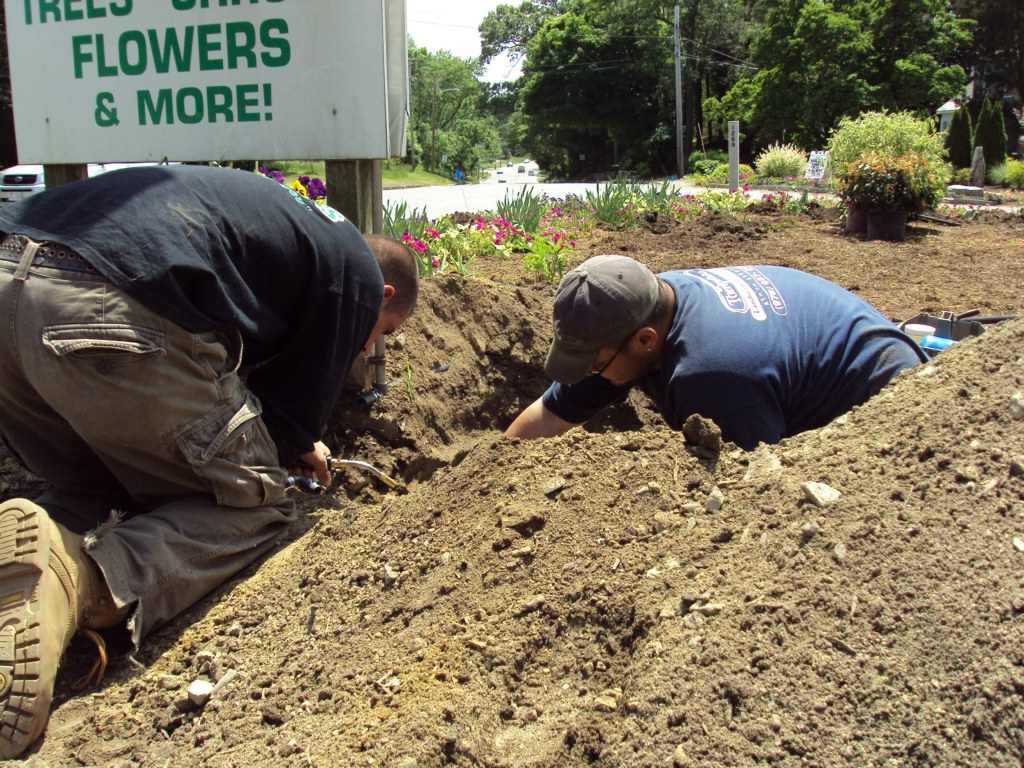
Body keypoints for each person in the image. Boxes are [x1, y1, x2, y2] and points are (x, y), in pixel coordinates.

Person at [0, 164, 418, 757]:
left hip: (10, 286)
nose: (372, 344)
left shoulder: (295, 230)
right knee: (253, 507)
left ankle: (38, 551)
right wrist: (298, 448)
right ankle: (81, 580)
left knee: (97, 483)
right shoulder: (354, 273)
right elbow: (286, 426)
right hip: (105, 309)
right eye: (385, 332)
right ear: (386, 297)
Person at [506, 255, 925, 448]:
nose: (591, 376)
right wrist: (498, 476)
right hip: (816, 351)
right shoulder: (647, 299)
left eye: (595, 365)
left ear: (645, 340)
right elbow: (551, 412)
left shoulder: (711, 377)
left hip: (892, 413)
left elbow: (755, 491)